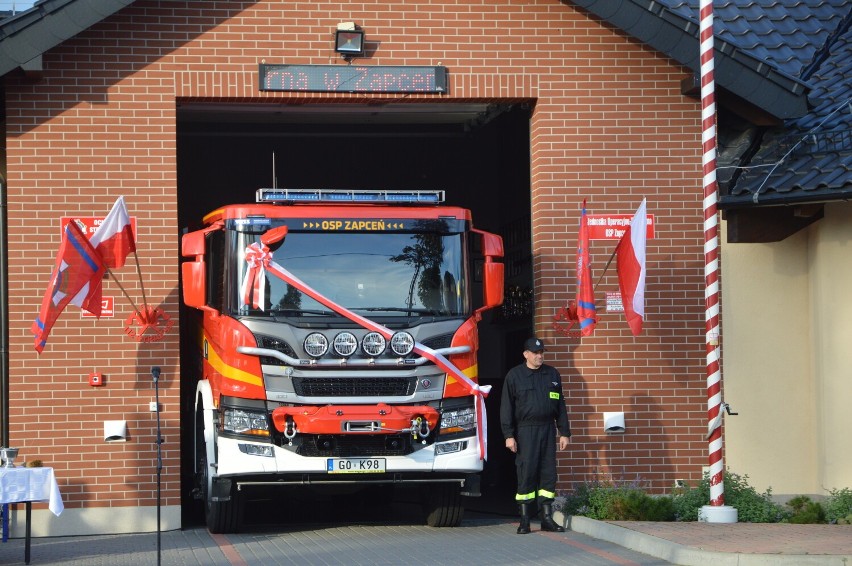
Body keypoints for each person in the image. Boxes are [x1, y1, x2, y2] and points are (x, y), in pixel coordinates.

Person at [500, 337, 571, 534]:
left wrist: (564, 432)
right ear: (526, 354)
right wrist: (509, 435)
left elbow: (560, 406)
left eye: (541, 353)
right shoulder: (514, 376)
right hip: (526, 430)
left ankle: (546, 517)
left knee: (548, 473)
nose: (540, 356)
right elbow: (506, 408)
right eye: (535, 353)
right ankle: (524, 519)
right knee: (527, 472)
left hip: (548, 429)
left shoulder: (552, 374)